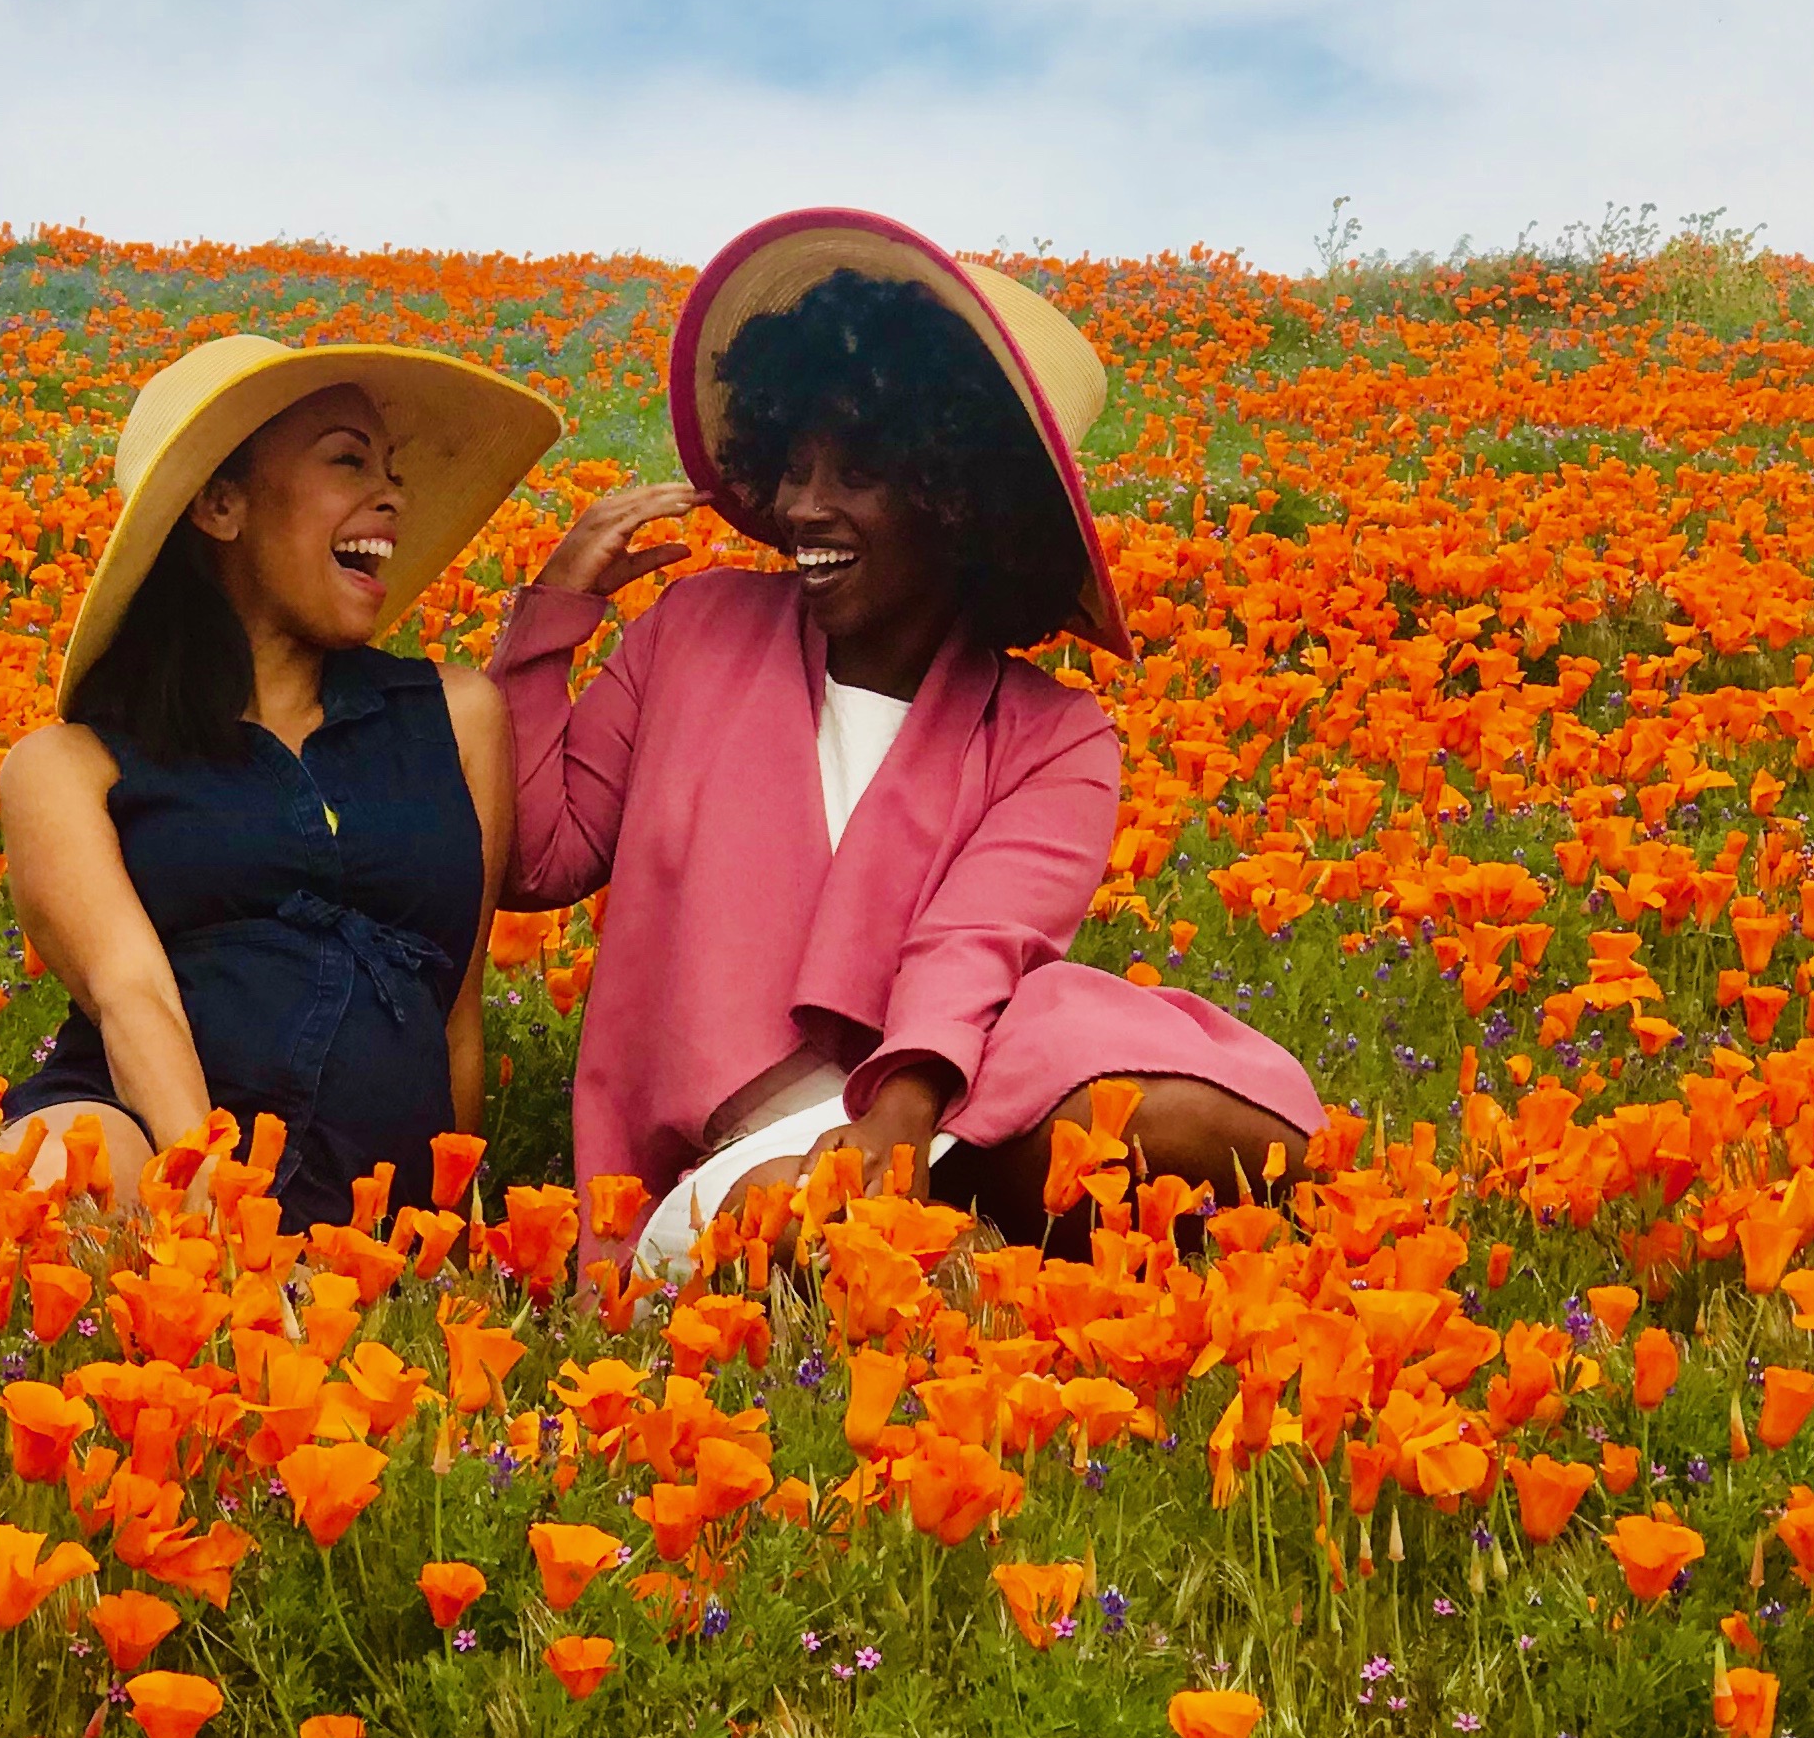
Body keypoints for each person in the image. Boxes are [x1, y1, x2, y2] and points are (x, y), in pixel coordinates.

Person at [489, 207, 1321, 1277]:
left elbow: (975, 942)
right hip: (731, 1155)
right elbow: (538, 858)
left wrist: (897, 1124)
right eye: (791, 464)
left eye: (854, 474)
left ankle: (954, 1238)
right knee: (792, 1219)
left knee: (1199, 1129)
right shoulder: (693, 633)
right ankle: (953, 1263)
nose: (800, 505)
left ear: (959, 500)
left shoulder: (1052, 734)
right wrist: (549, 620)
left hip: (956, 1095)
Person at [0, 332, 559, 1220]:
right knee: (66, 1169)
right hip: (162, 1151)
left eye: (393, 469)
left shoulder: (457, 717)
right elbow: (131, 996)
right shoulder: (69, 767)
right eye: (348, 460)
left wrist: (454, 1224)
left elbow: (456, 1013)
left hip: (367, 1210)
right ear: (222, 505)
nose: (393, 495)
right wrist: (218, 1219)